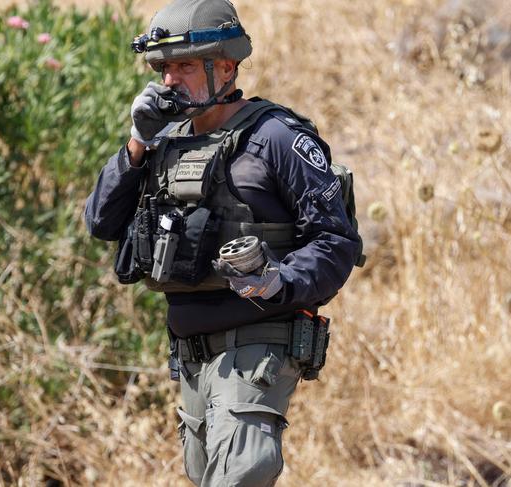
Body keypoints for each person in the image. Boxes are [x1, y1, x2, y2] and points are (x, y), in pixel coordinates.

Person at [84, 0, 362, 485]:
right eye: (164, 68)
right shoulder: (164, 141)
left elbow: (335, 240)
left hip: (258, 345)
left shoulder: (277, 137)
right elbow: (101, 222)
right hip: (192, 354)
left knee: (240, 475)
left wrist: (277, 280)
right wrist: (137, 142)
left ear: (227, 66)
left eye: (185, 66)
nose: (170, 80)